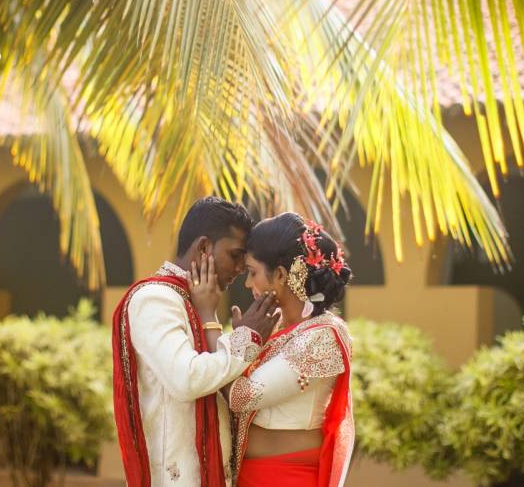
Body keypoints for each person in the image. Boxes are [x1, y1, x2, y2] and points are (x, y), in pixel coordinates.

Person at [112, 197, 281, 487]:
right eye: (235, 255)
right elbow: (186, 378)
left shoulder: (196, 301)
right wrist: (247, 340)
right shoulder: (155, 299)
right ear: (204, 248)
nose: (240, 268)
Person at [227, 213, 354, 487]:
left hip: (286, 477)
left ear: (281, 275)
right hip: (254, 475)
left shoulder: (323, 336)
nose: (247, 284)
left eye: (252, 272)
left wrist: (219, 329)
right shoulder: (273, 326)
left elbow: (241, 397)